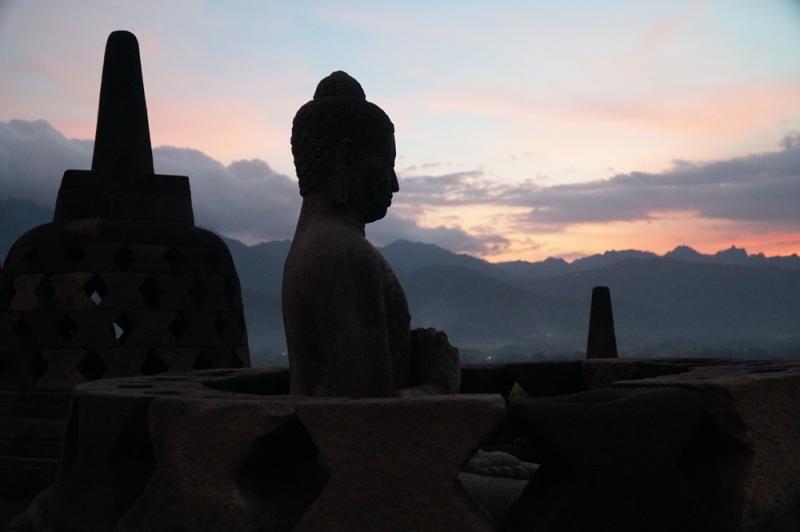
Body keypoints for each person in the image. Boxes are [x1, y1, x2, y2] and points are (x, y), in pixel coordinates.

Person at [282, 71, 460, 398]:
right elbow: (369, 412)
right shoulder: (344, 254)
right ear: (347, 157)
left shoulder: (312, 245)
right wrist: (439, 382)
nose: (394, 184)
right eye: (387, 164)